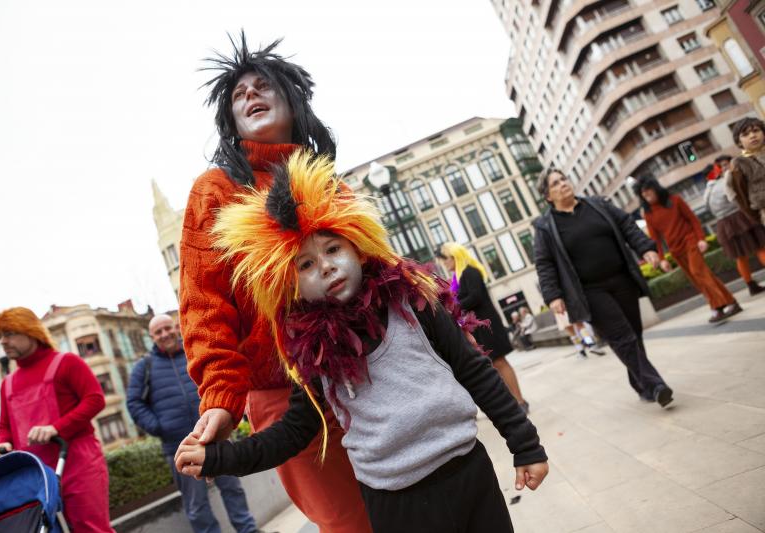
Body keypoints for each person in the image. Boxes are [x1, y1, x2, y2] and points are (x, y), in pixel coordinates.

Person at [175, 151, 548, 533]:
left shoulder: (414, 304)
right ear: (292, 285)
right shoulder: (314, 353)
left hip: (469, 472)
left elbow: (475, 371)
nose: (325, 266)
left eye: (333, 249)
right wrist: (220, 458)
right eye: (306, 264)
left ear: (356, 246)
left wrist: (525, 445)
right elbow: (294, 432)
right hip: (395, 503)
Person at [179, 33, 370, 531]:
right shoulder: (215, 190)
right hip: (285, 397)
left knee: (411, 509)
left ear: (291, 100)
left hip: (367, 377)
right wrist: (221, 397)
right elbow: (203, 306)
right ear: (231, 121)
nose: (250, 95)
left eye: (262, 86)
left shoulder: (330, 184)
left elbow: (378, 279)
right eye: (239, 95)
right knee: (349, 523)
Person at [533, 169, 674, 407]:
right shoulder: (545, 226)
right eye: (555, 183)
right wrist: (553, 295)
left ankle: (641, 384)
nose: (563, 184)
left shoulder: (598, 204)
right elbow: (544, 263)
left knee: (633, 334)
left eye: (564, 179)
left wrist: (646, 248)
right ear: (548, 196)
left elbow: (627, 225)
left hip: (622, 279)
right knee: (622, 337)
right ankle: (656, 384)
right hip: (589, 291)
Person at [126, 315, 261, 533]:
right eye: (158, 332)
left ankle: (249, 530)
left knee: (233, 489)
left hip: (214, 435)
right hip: (179, 446)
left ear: (176, 328)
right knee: (197, 505)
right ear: (151, 337)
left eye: (167, 328)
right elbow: (133, 403)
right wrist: (160, 427)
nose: (164, 334)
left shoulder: (194, 352)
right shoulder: (144, 367)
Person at [0, 307, 113, 532]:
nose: (3, 341)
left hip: (78, 462)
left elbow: (95, 399)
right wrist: (1, 443)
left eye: (9, 334)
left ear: (31, 331)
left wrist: (56, 428)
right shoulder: (8, 384)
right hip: (36, 474)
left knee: (91, 528)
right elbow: (5, 426)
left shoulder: (67, 362)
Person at [635, 175, 742, 323]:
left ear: (655, 189)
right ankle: (732, 302)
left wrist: (701, 238)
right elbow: (655, 239)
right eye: (643, 193)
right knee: (700, 278)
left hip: (690, 241)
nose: (646, 195)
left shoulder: (675, 200)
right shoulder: (648, 214)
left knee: (698, 272)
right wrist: (662, 259)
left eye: (648, 191)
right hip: (676, 250)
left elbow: (693, 219)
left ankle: (717, 307)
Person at [438, 242, 529, 411]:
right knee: (494, 365)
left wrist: (454, 307)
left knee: (500, 362)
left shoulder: (470, 272)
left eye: (446, 259)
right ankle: (513, 403)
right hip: (478, 327)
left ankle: (521, 401)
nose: (444, 263)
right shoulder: (457, 278)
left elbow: (475, 297)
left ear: (455, 256)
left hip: (487, 325)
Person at [704, 155, 765, 296]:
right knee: (761, 246)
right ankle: (751, 285)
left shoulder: (707, 192)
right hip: (741, 217)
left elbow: (708, 209)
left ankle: (750, 285)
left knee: (740, 256)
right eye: (721, 166)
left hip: (723, 224)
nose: (724, 168)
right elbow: (738, 199)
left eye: (726, 164)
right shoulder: (727, 181)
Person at [728, 117, 765, 226]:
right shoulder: (739, 164)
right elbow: (741, 196)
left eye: (756, 131)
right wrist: (758, 217)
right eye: (745, 134)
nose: (752, 136)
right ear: (739, 142)